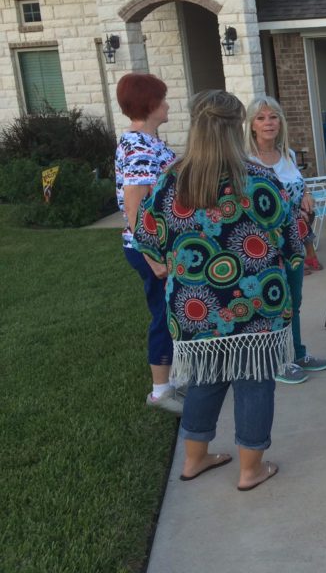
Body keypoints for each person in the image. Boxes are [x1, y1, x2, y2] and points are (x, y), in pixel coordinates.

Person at [134, 90, 303, 490]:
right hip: (257, 303)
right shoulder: (259, 179)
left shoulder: (171, 180)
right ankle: (250, 469)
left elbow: (147, 238)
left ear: (196, 125)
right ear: (237, 127)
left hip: (195, 306)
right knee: (254, 378)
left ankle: (194, 460)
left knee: (205, 377)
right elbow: (291, 241)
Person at [246, 96, 326, 385]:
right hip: (263, 246)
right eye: (261, 118)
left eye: (273, 117)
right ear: (251, 125)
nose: (268, 123)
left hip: (293, 242)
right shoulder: (246, 161)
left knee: (294, 301)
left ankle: (297, 353)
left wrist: (306, 194)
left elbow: (297, 186)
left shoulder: (288, 155)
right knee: (274, 304)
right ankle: (278, 361)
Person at [114, 73, 181, 415]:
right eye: (163, 99)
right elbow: (134, 205)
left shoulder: (145, 141)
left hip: (160, 246)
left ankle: (175, 379)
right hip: (152, 250)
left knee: (173, 312)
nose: (168, 105)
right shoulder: (139, 146)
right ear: (151, 104)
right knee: (164, 315)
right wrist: (153, 258)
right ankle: (160, 392)